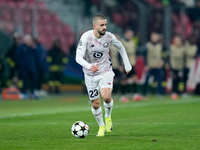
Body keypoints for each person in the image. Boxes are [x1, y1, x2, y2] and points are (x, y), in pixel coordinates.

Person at [76, 15, 132, 137]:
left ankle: (108, 117)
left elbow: (121, 47)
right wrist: (89, 66)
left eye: (105, 25)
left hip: (105, 71)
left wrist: (127, 64)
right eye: (101, 25)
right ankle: (101, 126)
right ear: (94, 26)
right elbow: (78, 57)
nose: (104, 27)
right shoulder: (86, 37)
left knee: (106, 97)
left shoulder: (109, 37)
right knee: (95, 104)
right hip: (90, 74)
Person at [120, 29, 142, 101]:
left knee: (134, 78)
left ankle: (135, 94)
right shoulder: (122, 42)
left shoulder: (133, 43)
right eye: (129, 34)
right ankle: (123, 95)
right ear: (126, 34)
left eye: (131, 34)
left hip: (132, 63)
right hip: (125, 64)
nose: (130, 35)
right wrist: (121, 64)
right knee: (124, 80)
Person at [15, 34, 38, 99]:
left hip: (32, 67)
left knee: (33, 80)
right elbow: (17, 56)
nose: (29, 41)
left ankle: (33, 92)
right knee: (23, 80)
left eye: (29, 40)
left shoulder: (32, 48)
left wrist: (34, 48)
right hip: (24, 68)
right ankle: (23, 93)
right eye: (27, 40)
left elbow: (37, 56)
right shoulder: (21, 47)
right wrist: (21, 64)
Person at [142, 31, 164, 99]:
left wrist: (162, 60)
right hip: (150, 66)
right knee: (147, 80)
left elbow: (163, 54)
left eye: (156, 36)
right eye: (153, 36)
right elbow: (144, 55)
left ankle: (160, 94)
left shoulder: (160, 46)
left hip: (158, 66)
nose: (154, 38)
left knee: (160, 80)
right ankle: (144, 93)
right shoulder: (147, 45)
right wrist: (146, 65)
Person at [169, 35, 185, 99]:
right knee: (174, 79)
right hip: (173, 66)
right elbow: (168, 57)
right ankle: (174, 92)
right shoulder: (171, 48)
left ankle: (181, 92)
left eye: (179, 41)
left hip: (180, 67)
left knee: (181, 80)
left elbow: (184, 58)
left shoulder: (183, 49)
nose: (178, 42)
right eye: (176, 41)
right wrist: (170, 66)